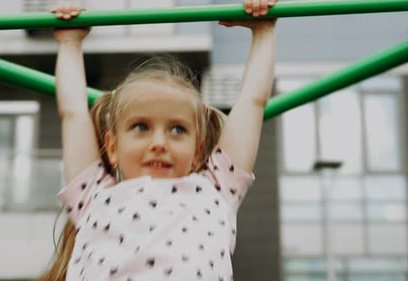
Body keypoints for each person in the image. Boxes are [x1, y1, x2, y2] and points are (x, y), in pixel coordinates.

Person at [40, 0, 276, 280]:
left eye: (177, 130)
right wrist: (69, 42)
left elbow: (253, 101)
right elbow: (72, 112)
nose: (159, 143)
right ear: (113, 147)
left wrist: (263, 32)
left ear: (198, 150)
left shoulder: (215, 191)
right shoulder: (93, 196)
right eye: (141, 127)